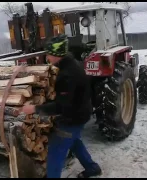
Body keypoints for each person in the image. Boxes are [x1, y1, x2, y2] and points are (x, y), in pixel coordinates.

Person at [21, 34, 102, 178]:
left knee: (56, 151)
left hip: (73, 118)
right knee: (74, 142)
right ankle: (92, 168)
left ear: (56, 54)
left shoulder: (67, 75)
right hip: (82, 112)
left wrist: (34, 109)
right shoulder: (73, 63)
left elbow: (61, 107)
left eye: (49, 53)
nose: (47, 56)